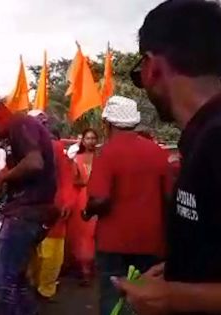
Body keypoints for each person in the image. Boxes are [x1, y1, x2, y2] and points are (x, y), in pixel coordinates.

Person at [112, 1, 221, 314]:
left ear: (151, 67)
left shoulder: (215, 138)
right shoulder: (200, 138)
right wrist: (177, 271)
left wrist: (173, 296)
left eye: (138, 75)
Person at [84, 96, 171, 315]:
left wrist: (88, 211)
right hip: (152, 242)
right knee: (145, 302)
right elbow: (170, 198)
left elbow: (101, 200)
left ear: (108, 123)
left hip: (114, 244)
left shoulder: (108, 153)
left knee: (113, 299)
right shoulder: (158, 152)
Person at [0, 99, 57, 315]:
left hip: (26, 212)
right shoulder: (17, 132)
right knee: (17, 278)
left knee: (4, 280)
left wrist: (2, 177)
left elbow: (34, 162)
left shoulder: (21, 124)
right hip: (30, 210)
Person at [27, 110, 76, 301]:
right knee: (30, 251)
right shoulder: (20, 147)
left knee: (52, 253)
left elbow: (66, 178)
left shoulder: (55, 148)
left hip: (52, 208)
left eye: (43, 124)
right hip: (28, 209)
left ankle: (46, 288)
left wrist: (66, 201)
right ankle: (32, 284)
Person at [67, 128, 98, 286]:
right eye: (88, 138)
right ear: (83, 141)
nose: (91, 141)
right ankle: (85, 271)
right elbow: (73, 181)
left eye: (93, 138)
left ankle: (96, 268)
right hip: (83, 198)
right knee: (84, 235)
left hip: (100, 197)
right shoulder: (76, 159)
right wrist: (87, 182)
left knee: (98, 233)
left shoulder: (102, 158)